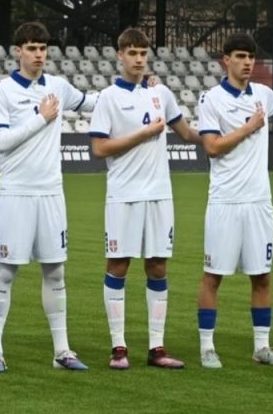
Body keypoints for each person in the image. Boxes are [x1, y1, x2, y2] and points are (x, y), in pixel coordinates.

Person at [0, 21, 97, 372]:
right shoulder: (2, 91)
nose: (38, 54)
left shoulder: (58, 86)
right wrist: (40, 117)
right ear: (18, 51)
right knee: (6, 272)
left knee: (56, 271)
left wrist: (134, 89)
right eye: (32, 48)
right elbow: (0, 143)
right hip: (16, 193)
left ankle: (62, 351)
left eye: (43, 48)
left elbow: (92, 103)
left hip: (51, 194)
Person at [195, 33, 273, 369]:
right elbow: (212, 147)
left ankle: (262, 346)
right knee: (213, 276)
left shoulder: (262, 94)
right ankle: (206, 347)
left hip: (259, 202)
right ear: (226, 60)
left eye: (250, 57)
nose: (247, 62)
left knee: (262, 275)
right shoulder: (211, 99)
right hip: (225, 202)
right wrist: (249, 127)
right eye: (240, 56)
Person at [89, 28, 201, 370]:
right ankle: (118, 347)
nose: (138, 59)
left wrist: (221, 136)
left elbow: (186, 132)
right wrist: (144, 134)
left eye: (143, 53)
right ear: (120, 55)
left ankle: (156, 347)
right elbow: (99, 148)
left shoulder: (160, 93)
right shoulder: (107, 98)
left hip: (159, 194)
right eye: (132, 53)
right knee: (118, 265)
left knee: (157, 266)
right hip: (123, 194)